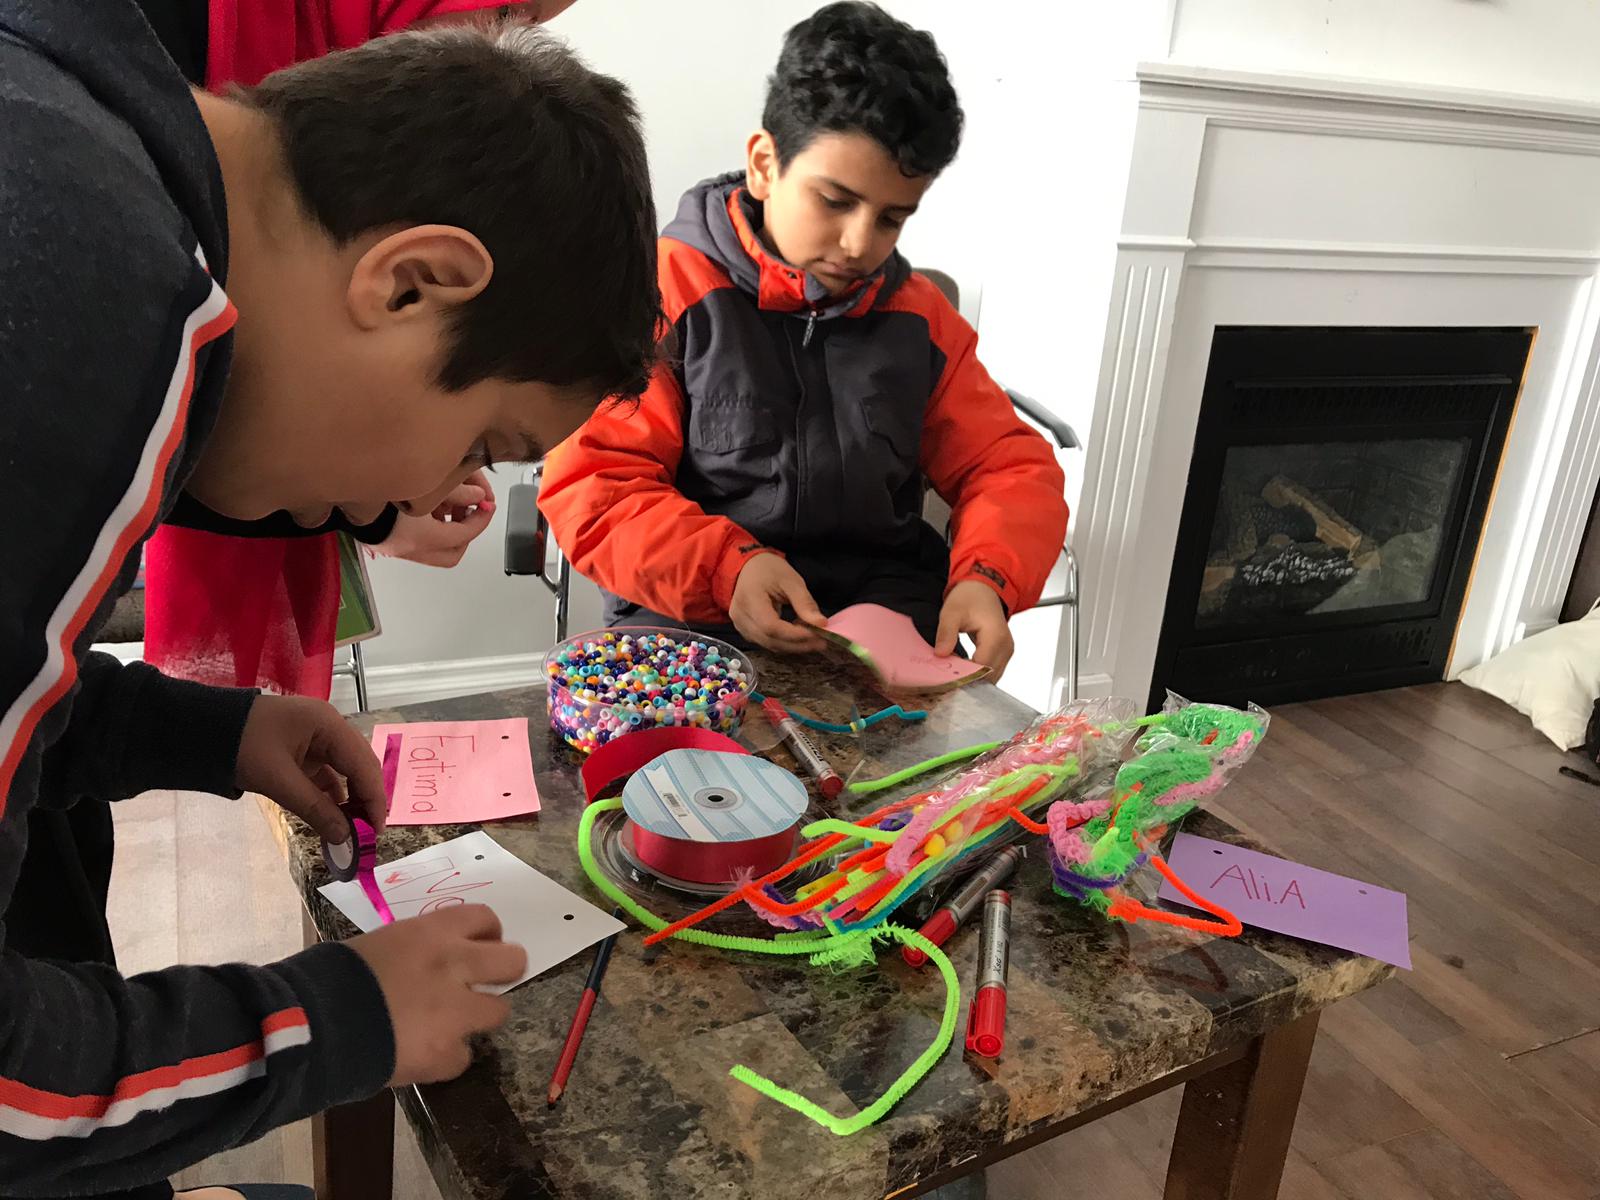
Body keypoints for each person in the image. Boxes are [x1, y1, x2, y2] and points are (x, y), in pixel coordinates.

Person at [0, 8, 657, 1198]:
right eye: (481, 441)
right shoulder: (92, 296)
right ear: (412, 282)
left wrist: (206, 729)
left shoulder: (64, 112)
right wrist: (339, 1014)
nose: (419, 498)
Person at [537, 0, 1067, 682]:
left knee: (943, 786)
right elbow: (597, 483)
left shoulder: (922, 318)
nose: (859, 245)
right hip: (694, 617)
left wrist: (987, 578)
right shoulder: (661, 294)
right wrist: (729, 569)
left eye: (892, 218)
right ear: (764, 163)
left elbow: (1009, 465)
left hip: (886, 620)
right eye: (835, 201)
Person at [137, 0, 582, 703]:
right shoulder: (96, 278)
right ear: (409, 282)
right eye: (504, 14)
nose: (496, 49)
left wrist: (193, 739)